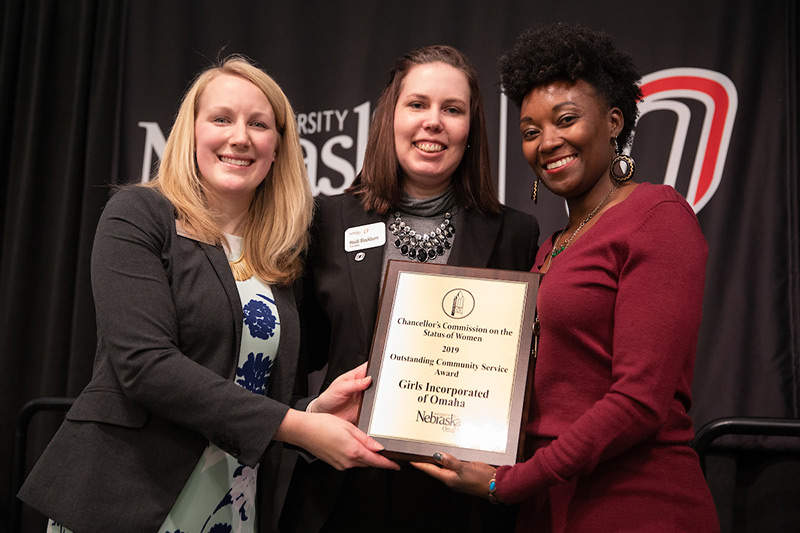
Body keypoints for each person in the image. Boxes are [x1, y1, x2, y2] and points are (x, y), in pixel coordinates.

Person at [18, 55, 397, 533]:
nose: (240, 137)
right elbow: (145, 365)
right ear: (191, 133)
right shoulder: (138, 215)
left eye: (259, 124)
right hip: (127, 497)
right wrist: (298, 427)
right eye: (221, 119)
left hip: (232, 502)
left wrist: (310, 410)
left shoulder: (278, 256)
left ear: (277, 147)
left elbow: (247, 385)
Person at [414, 23, 720, 532]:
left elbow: (640, 401)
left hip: (634, 505)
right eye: (531, 132)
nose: (547, 142)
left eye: (567, 120)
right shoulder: (551, 246)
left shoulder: (656, 215)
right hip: (547, 505)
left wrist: (507, 483)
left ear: (614, 121)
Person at [279, 45, 539, 532]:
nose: (433, 122)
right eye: (417, 104)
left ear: (471, 128)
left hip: (458, 502)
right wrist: (308, 418)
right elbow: (292, 357)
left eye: (453, 109)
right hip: (344, 490)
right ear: (389, 117)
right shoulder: (327, 220)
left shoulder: (515, 233)